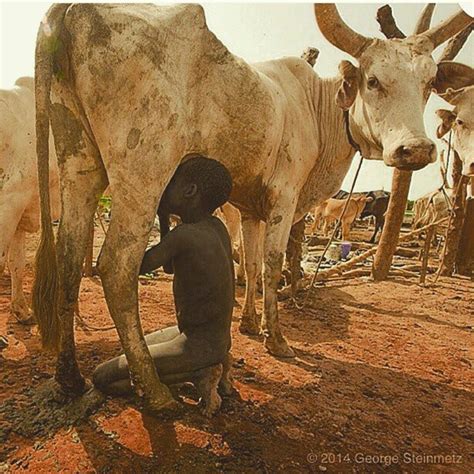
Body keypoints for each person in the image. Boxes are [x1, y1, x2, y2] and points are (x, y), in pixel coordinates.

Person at [93, 154, 235, 416]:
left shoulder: (184, 236)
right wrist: (164, 218)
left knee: (103, 377)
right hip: (212, 337)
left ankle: (198, 372)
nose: (163, 187)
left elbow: (136, 267)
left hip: (196, 344)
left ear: (189, 191)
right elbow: (170, 266)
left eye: (170, 182)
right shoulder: (216, 227)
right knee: (134, 351)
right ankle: (210, 366)